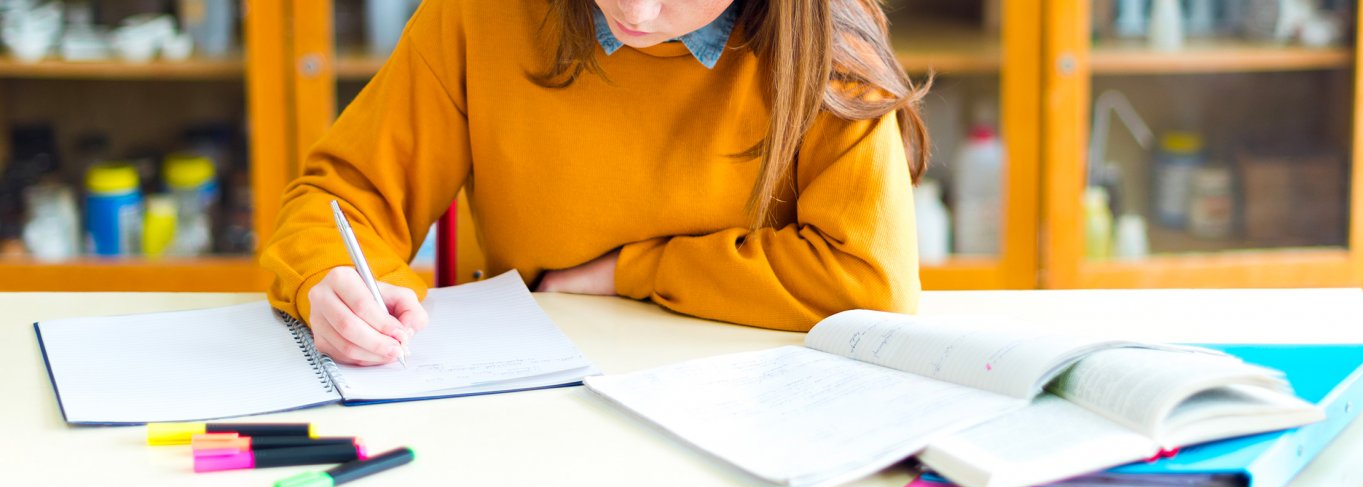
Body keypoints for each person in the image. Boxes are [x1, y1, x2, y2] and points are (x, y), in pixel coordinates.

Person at [261, 0, 931, 366]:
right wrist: (328, 279)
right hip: (532, 399)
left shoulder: (834, 53)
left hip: (755, 411)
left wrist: (632, 271)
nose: (636, 12)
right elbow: (339, 199)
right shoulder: (478, 16)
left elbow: (870, 282)